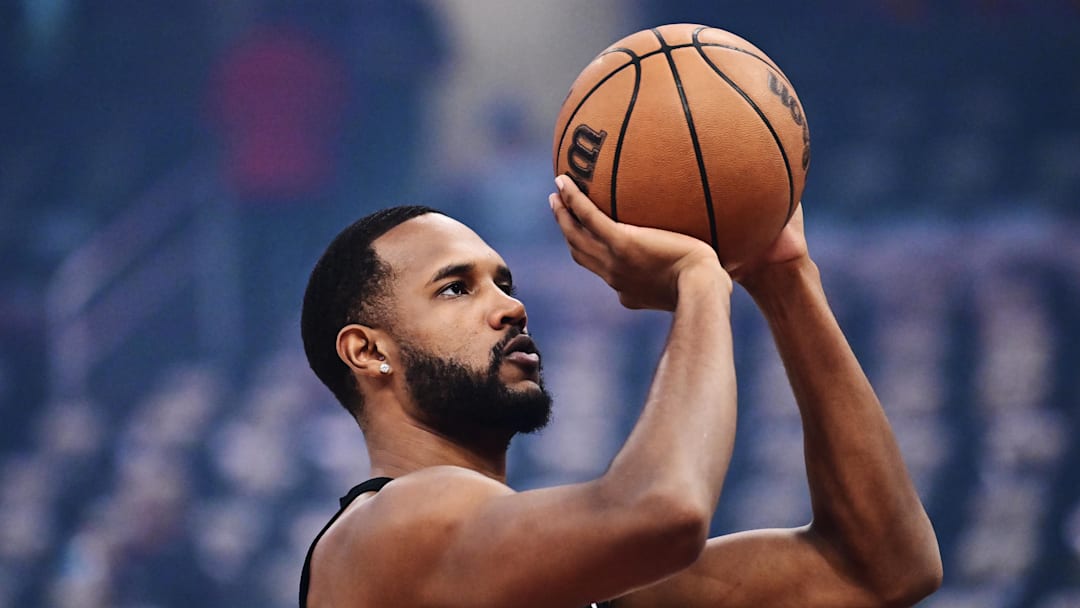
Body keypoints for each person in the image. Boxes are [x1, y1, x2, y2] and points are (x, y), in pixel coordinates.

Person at [297, 176, 942, 607]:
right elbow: (667, 512)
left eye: (504, 281)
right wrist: (699, 280)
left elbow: (882, 568)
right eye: (455, 288)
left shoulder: (552, 569)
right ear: (368, 351)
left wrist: (783, 275)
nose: (511, 306)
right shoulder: (389, 529)